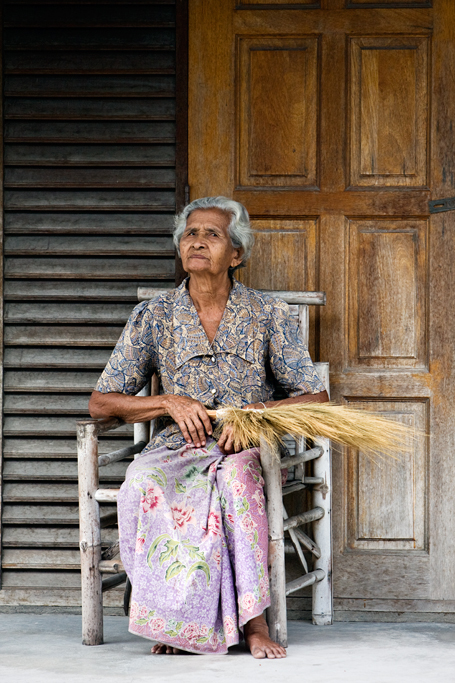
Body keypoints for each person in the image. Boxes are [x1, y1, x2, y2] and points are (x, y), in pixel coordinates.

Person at [89, 196, 329, 658]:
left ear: (235, 255)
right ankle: (176, 620)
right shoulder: (154, 316)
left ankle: (255, 624)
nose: (196, 241)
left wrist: (255, 414)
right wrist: (166, 402)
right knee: (143, 482)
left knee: (236, 483)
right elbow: (101, 402)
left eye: (211, 234)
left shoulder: (267, 314)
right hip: (183, 445)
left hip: (249, 445)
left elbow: (315, 396)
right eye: (189, 233)